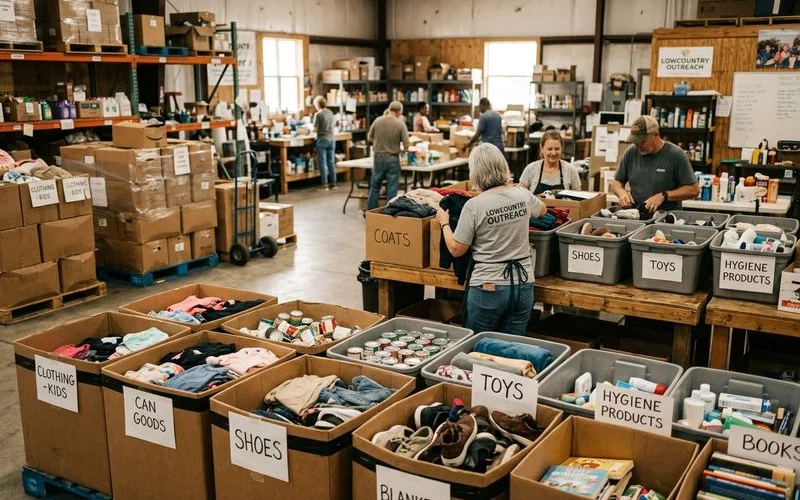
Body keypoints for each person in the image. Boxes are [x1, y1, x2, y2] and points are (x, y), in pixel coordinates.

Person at [436, 144, 546, 336]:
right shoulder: (522, 194)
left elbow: (456, 249)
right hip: (523, 284)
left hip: (489, 287)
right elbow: (542, 210)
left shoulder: (474, 205)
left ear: (476, 172)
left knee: (479, 348)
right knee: (512, 351)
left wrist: (444, 223)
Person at [610, 115, 699, 213]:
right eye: (635, 141)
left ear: (656, 135)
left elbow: (693, 190)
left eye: (642, 141)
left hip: (666, 219)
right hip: (637, 216)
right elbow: (616, 183)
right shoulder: (631, 152)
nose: (638, 145)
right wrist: (622, 193)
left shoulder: (676, 154)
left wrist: (663, 195)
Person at [367, 101, 409, 210]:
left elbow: (369, 138)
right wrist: (404, 150)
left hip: (378, 157)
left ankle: (371, 211)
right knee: (392, 187)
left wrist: (380, 141)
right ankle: (390, 212)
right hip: (392, 158)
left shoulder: (378, 120)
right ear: (399, 111)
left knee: (375, 186)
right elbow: (406, 143)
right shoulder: (400, 124)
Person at [519, 130, 582, 194]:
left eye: (557, 149)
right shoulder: (530, 169)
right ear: (542, 149)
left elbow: (578, 199)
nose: (553, 153)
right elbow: (521, 197)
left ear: (562, 148)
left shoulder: (571, 170)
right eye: (549, 149)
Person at [313, 96, 336, 190]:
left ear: (317, 105)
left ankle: (325, 184)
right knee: (331, 161)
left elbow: (315, 128)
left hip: (322, 139)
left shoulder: (318, 114)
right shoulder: (330, 112)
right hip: (331, 139)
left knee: (322, 162)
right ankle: (334, 183)